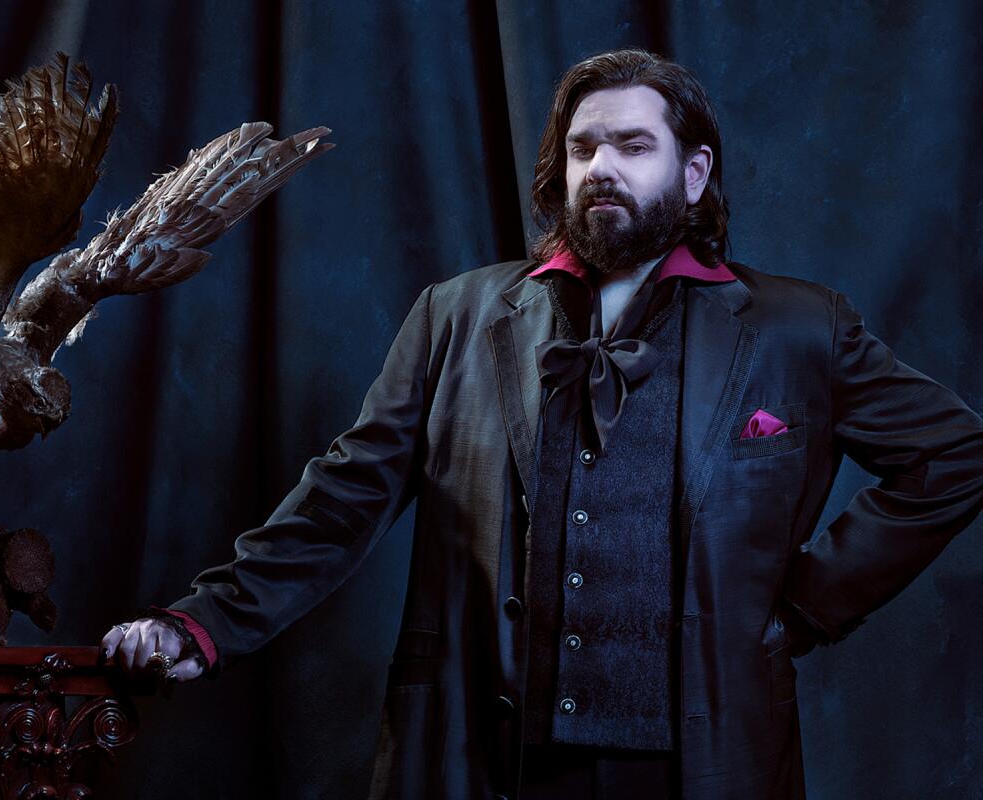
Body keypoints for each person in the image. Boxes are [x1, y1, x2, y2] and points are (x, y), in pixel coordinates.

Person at [99, 48, 983, 799]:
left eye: (634, 146)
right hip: (489, 752)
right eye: (584, 147)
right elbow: (344, 494)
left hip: (705, 760)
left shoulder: (799, 328)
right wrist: (203, 620)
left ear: (694, 172)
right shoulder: (458, 314)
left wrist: (802, 606)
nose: (602, 166)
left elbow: (955, 453)